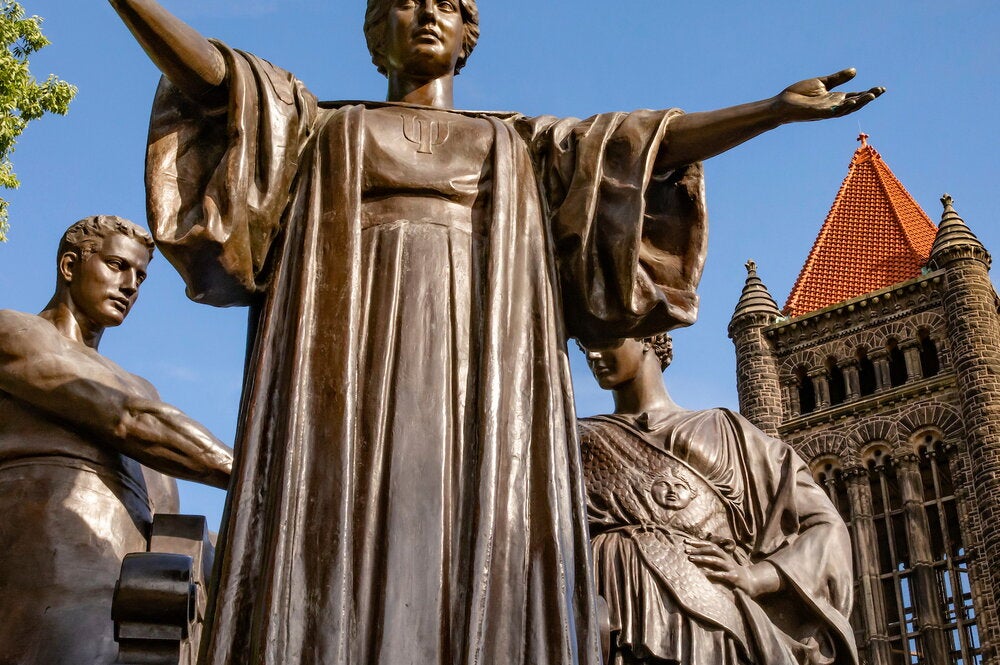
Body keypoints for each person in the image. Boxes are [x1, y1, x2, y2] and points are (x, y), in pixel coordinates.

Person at [107, 1, 881, 662]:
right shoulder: (322, 130)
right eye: (406, 0)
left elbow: (640, 147)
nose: (430, 10)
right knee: (333, 545)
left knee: (476, 545)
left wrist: (771, 111)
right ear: (376, 31)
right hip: (347, 374)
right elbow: (217, 82)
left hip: (477, 385)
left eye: (448, 0)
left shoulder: (517, 147)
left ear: (470, 33)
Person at [0, 215, 234, 665]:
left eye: (140, 276)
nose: (130, 285)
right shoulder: (17, 333)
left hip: (138, 625)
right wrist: (267, 478)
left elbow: (170, 530)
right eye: (115, 265)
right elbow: (128, 420)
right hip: (42, 603)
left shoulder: (144, 388)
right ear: (70, 266)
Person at [579, 334, 856, 664]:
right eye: (583, 348)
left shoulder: (729, 431)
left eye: (603, 337)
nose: (593, 354)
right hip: (610, 605)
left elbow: (825, 525)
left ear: (646, 336)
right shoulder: (574, 437)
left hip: (712, 616)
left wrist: (761, 576)